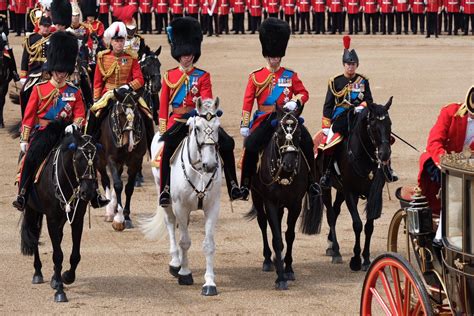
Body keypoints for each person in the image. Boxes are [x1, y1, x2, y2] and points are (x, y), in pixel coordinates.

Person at [13, 31, 108, 211]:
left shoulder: (74, 91)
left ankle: (95, 193)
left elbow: (80, 113)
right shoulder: (39, 89)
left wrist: (75, 124)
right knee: (30, 157)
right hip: (44, 132)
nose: (60, 75)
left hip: (68, 133)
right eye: (58, 71)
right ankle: (23, 193)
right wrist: (25, 139)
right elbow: (29, 116)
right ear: (51, 70)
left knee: (88, 155)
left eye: (64, 72)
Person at [158, 17, 242, 206]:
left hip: (199, 119)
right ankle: (165, 190)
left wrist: (201, 113)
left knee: (227, 143)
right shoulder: (169, 76)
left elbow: (207, 99)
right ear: (177, 54)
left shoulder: (202, 76)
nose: (186, 57)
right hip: (178, 120)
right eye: (183, 54)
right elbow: (163, 104)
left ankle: (233, 186)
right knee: (167, 150)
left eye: (189, 54)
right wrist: (164, 127)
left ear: (194, 54)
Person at [239, 18, 318, 201]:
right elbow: (248, 101)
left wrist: (296, 103)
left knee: (306, 142)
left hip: (288, 118)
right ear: (266, 56)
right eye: (271, 57)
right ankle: (245, 185)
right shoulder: (256, 76)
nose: (274, 60)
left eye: (277, 57)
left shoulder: (290, 75)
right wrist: (245, 124)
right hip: (264, 118)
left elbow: (304, 93)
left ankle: (313, 182)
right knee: (251, 146)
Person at [319, 36, 397, 187]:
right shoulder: (335, 81)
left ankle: (387, 168)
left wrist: (362, 106)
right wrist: (326, 125)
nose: (350, 67)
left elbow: (369, 100)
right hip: (341, 117)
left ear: (357, 65)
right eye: (348, 64)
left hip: (359, 115)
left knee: (380, 135)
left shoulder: (363, 81)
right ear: (343, 64)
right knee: (330, 142)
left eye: (353, 64)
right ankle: (328, 173)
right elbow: (328, 105)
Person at [86, 21, 147, 143]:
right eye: (116, 41)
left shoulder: (132, 57)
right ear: (111, 42)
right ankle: (89, 142)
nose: (119, 44)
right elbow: (97, 81)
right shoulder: (102, 57)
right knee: (94, 115)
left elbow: (140, 79)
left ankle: (149, 144)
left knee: (147, 114)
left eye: (121, 41)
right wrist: (97, 99)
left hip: (128, 94)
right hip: (108, 93)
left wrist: (128, 87)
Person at [418, 86, 474, 217]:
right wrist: (446, 162)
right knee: (454, 190)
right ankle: (443, 231)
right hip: (437, 161)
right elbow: (434, 142)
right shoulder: (450, 112)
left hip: (466, 166)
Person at [19, 13, 52, 117]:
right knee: (23, 93)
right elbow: (25, 57)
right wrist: (23, 75)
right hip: (34, 72)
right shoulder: (31, 39)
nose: (46, 28)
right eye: (44, 26)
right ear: (39, 25)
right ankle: (25, 118)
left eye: (48, 26)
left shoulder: (54, 39)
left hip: (51, 73)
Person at [0, 13, 20, 82]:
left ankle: (14, 72)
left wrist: (3, 34)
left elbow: (6, 31)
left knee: (9, 54)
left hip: (1, 42)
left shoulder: (1, 17)